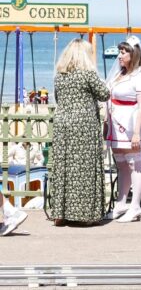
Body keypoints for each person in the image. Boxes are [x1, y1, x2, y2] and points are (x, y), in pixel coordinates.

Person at [51, 38, 110, 226]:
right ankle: (85, 215)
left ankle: (60, 214)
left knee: (63, 168)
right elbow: (104, 94)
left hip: (62, 124)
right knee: (85, 169)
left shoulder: (60, 75)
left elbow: (58, 98)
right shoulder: (88, 74)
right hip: (84, 125)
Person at [105, 35, 141, 223]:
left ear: (133, 54)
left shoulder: (140, 77)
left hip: (130, 124)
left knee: (135, 163)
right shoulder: (119, 74)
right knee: (121, 164)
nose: (119, 56)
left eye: (123, 53)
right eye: (119, 52)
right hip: (115, 123)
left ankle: (135, 206)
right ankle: (121, 203)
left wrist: (137, 132)